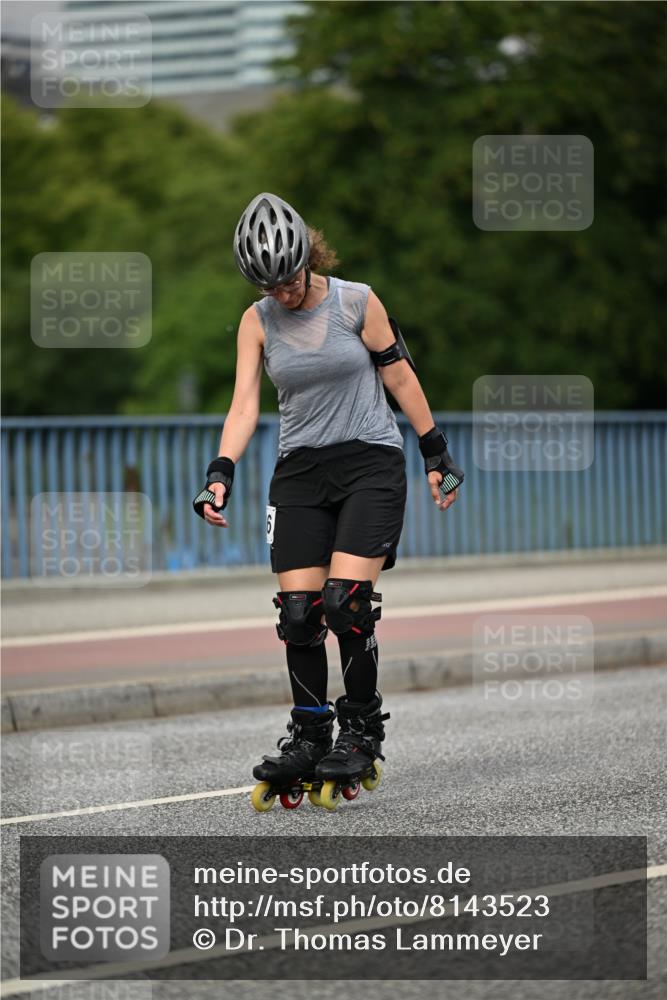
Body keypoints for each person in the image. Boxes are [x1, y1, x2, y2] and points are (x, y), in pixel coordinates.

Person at [193, 192, 463, 811]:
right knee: (297, 612)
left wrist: (436, 454)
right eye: (269, 284)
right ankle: (310, 735)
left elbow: (401, 377)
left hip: (370, 462)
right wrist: (219, 474)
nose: (283, 293)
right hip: (300, 472)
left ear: (307, 258)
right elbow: (243, 405)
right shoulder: (256, 320)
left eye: (289, 278)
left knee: (346, 603)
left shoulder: (357, 302)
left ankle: (362, 729)